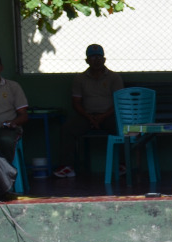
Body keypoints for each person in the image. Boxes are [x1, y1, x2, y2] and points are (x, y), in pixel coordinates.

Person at [53, 43, 124, 178]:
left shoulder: (114, 77)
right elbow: (76, 102)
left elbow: (118, 102)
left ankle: (122, 165)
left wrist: (102, 117)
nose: (96, 60)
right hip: (86, 116)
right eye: (92, 57)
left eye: (98, 57)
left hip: (109, 115)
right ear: (86, 60)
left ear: (104, 59)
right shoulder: (80, 79)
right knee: (67, 129)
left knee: (122, 129)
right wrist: (89, 117)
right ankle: (67, 166)